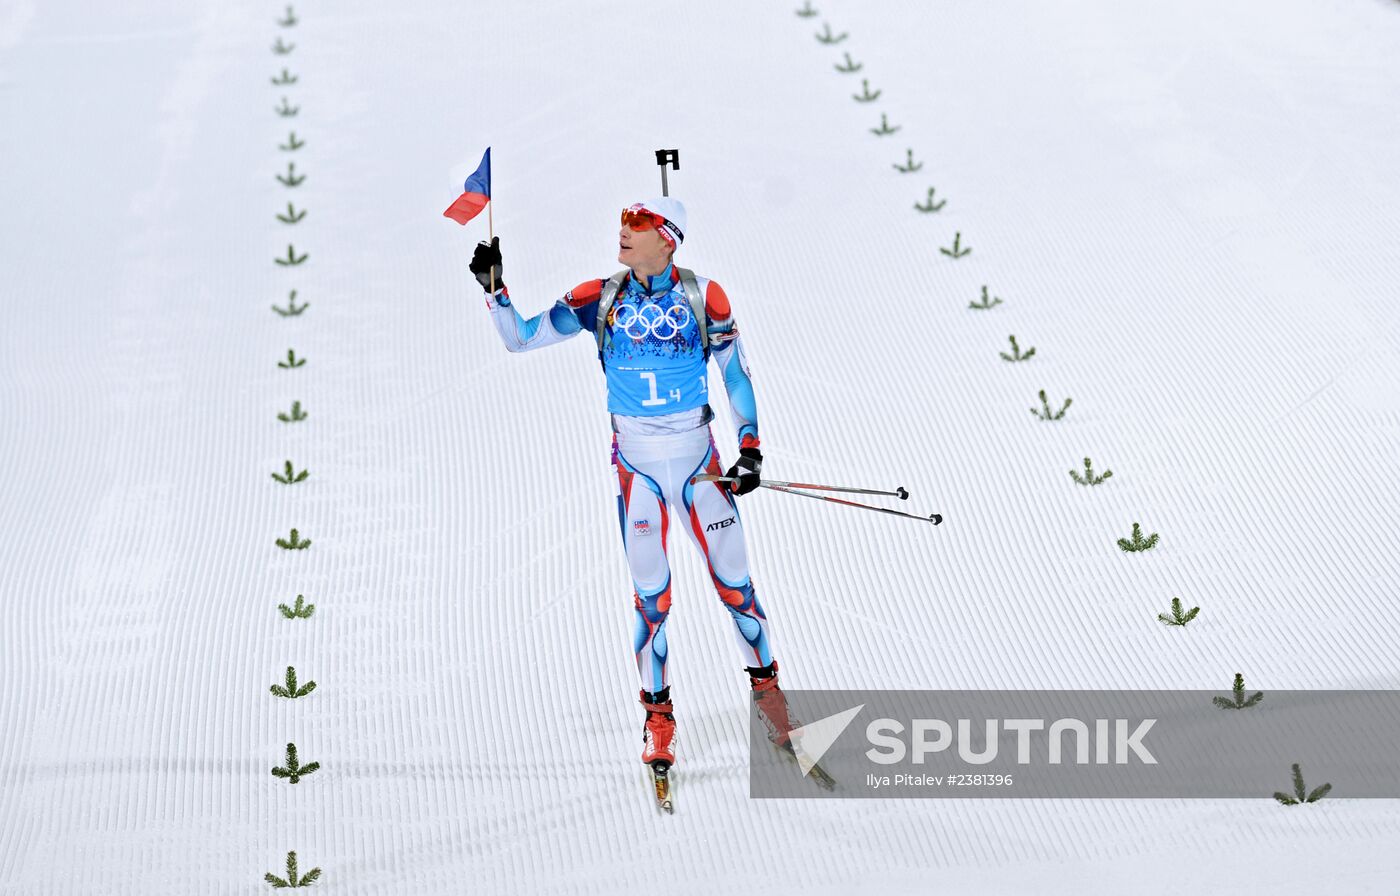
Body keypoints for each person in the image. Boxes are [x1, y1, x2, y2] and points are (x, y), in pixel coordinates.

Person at [468, 198, 798, 774]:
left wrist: (749, 449)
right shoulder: (599, 297)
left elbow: (736, 373)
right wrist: (495, 289)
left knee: (737, 588)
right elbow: (521, 339)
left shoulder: (703, 297)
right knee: (652, 600)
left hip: (699, 465)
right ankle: (658, 718)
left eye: (638, 226)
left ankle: (770, 699)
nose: (624, 231)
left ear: (668, 241)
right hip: (639, 469)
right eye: (624, 223)